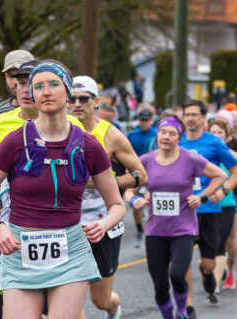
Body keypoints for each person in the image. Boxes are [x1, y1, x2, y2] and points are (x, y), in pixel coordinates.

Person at [0, 60, 125, 318]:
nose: (46, 91)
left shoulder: (88, 145)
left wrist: (105, 224)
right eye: (38, 86)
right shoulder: (16, 141)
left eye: (53, 84)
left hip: (70, 250)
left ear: (68, 92)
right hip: (20, 249)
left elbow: (117, 205)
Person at [125, 115, 226, 319]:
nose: (167, 137)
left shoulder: (190, 158)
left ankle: (182, 310)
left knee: (178, 275)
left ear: (179, 138)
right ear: (158, 134)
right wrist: (132, 200)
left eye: (172, 134)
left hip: (183, 229)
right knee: (160, 285)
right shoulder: (146, 161)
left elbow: (220, 175)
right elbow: (129, 188)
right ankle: (168, 316)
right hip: (155, 231)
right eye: (163, 132)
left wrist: (202, 197)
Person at [69, 75, 148, 319]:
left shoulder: (110, 135)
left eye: (84, 99)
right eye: (72, 99)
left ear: (96, 102)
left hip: (102, 222)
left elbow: (141, 175)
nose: (77, 104)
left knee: (101, 300)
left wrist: (107, 183)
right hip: (66, 223)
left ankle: (113, 310)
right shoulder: (60, 132)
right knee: (69, 296)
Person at [179, 100, 237, 315]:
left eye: (195, 114)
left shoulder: (215, 142)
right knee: (182, 260)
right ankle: (188, 305)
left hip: (209, 212)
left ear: (204, 118)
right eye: (187, 114)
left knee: (209, 264)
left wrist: (223, 191)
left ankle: (208, 274)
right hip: (182, 212)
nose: (191, 118)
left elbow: (235, 171)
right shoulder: (176, 141)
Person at [207, 120, 237, 291]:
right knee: (209, 247)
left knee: (226, 241)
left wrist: (224, 191)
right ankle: (214, 268)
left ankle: (219, 282)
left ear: (227, 136)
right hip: (205, 204)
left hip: (227, 202)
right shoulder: (203, 153)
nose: (217, 136)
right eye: (213, 133)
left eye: (220, 133)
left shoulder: (231, 154)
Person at [127, 108, 158, 248]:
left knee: (153, 202)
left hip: (154, 173)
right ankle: (140, 230)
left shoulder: (157, 134)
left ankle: (154, 231)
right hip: (137, 173)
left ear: (151, 120)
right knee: (135, 203)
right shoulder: (132, 135)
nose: (144, 123)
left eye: (146, 120)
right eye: (142, 120)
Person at [0, 50, 33, 130]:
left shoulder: (46, 110)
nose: (16, 82)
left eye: (22, 76)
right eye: (11, 76)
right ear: (5, 76)